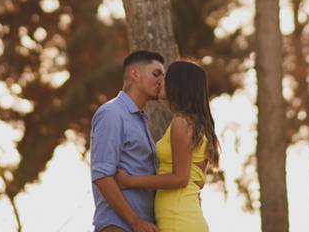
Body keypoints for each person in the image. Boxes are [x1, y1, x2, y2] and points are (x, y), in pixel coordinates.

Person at [114, 59, 221, 232]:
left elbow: (181, 178)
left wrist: (131, 181)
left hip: (178, 218)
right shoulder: (198, 125)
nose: (161, 81)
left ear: (178, 84)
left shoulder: (182, 123)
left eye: (166, 77)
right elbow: (196, 181)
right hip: (185, 216)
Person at [90, 50, 165, 232]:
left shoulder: (140, 119)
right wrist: (136, 222)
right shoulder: (112, 113)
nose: (161, 81)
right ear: (135, 73)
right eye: (156, 74)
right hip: (119, 226)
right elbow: (101, 175)